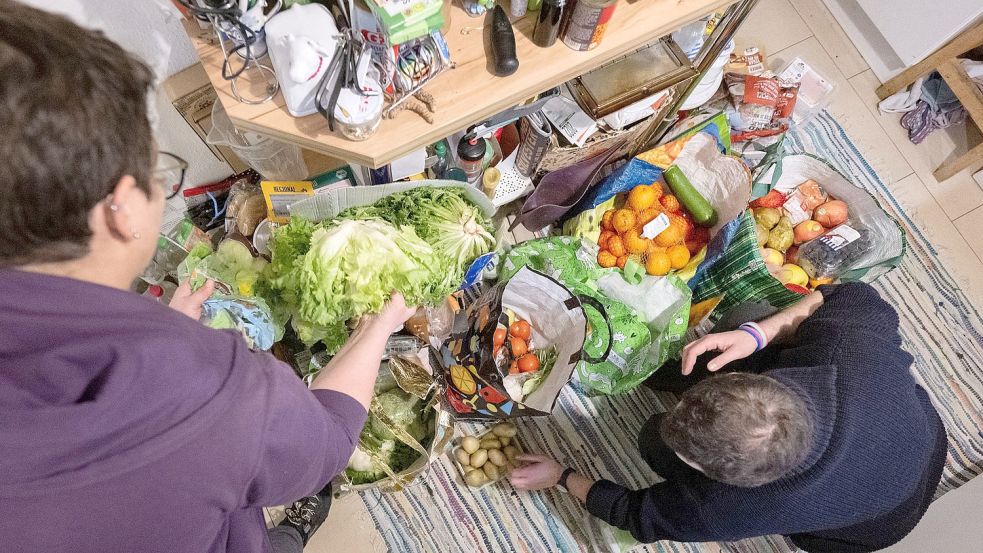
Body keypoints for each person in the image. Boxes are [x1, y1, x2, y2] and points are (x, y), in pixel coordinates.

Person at [0, 3, 415, 552]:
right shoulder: (204, 389)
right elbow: (329, 440)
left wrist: (157, 332)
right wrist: (379, 327)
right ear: (120, 209)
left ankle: (289, 532)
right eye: (160, 172)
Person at [511, 282, 948, 552]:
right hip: (918, 435)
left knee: (651, 441)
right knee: (744, 317)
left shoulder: (728, 510)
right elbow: (851, 293)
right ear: (762, 384)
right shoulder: (847, 352)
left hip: (876, 522)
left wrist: (562, 476)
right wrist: (754, 335)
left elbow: (635, 514)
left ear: (719, 480)